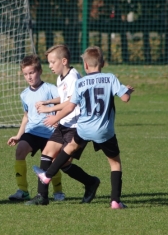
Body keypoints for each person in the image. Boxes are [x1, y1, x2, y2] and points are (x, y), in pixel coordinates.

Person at [33, 46, 134, 209]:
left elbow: (70, 107)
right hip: (103, 130)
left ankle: (47, 175)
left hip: (84, 128)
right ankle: (115, 201)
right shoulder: (110, 78)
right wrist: (127, 91)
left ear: (85, 65)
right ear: (103, 63)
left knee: (70, 147)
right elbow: (125, 98)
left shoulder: (80, 82)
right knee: (115, 164)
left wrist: (55, 117)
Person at [25, 44, 100, 206]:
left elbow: (71, 102)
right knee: (47, 153)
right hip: (65, 123)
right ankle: (41, 196)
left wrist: (52, 113)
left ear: (64, 61)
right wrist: (49, 101)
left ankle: (91, 182)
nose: (50, 66)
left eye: (53, 62)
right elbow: (63, 97)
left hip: (77, 126)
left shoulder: (74, 77)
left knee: (63, 163)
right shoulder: (61, 78)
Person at [7, 54, 65, 202]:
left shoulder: (50, 89)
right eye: (26, 74)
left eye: (31, 72)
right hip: (33, 131)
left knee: (53, 160)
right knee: (20, 150)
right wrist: (18, 135)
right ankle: (22, 191)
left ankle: (58, 191)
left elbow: (64, 101)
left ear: (39, 71)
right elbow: (26, 116)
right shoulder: (24, 94)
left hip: (50, 132)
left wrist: (57, 118)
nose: (29, 77)